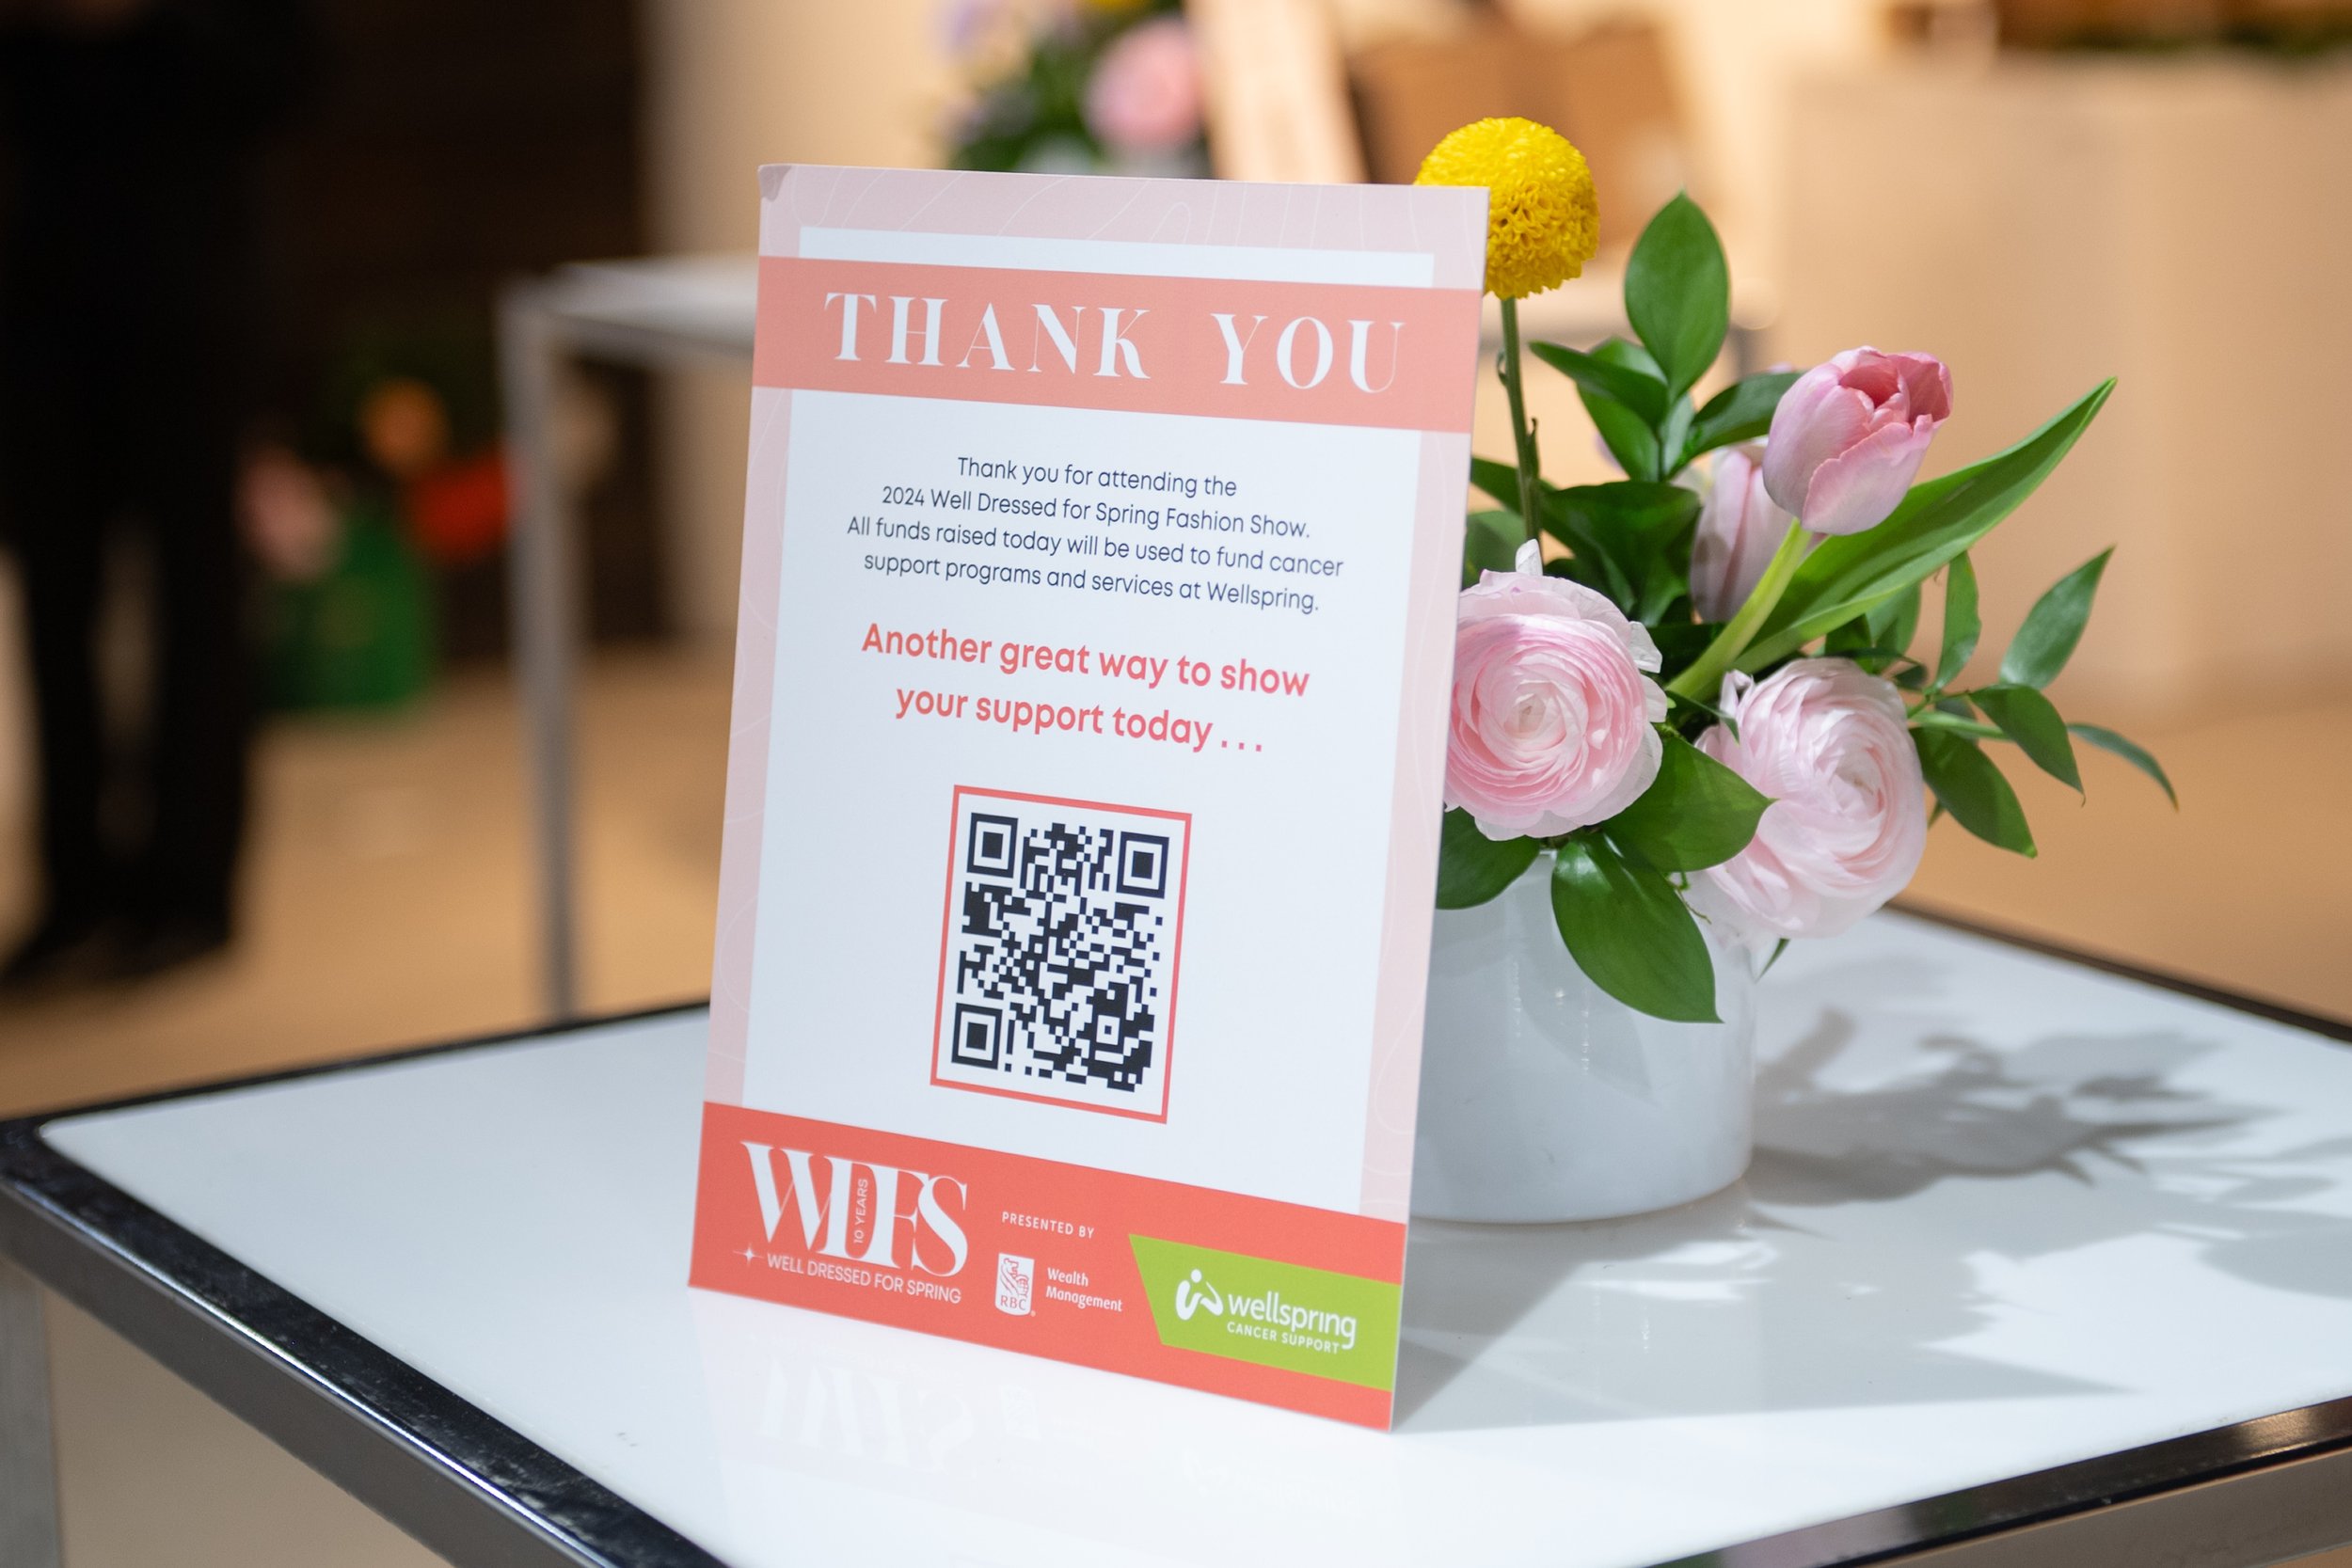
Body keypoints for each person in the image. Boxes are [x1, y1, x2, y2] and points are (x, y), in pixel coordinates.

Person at [0, 0, 308, 986]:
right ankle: (76, 889)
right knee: (55, 599)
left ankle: (192, 888)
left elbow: (289, 77)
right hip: (41, 302)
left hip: (190, 295)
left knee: (199, 597)